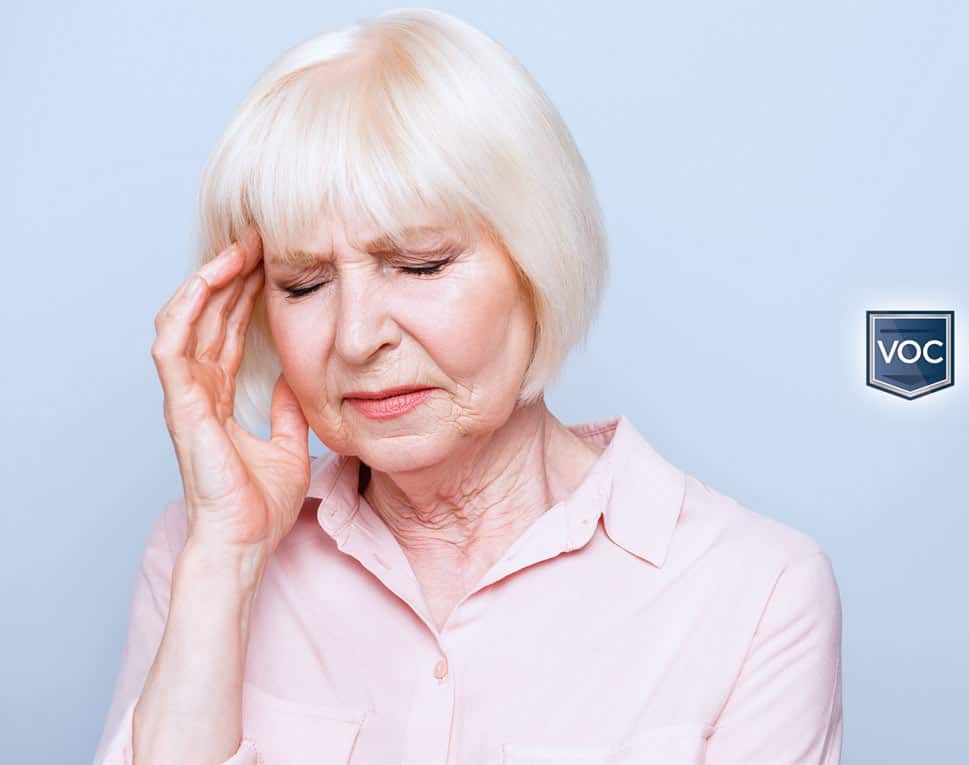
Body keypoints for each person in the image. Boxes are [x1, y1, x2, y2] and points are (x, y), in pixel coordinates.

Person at [91, 8, 842, 764]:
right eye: (304, 282)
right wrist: (226, 560)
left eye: (419, 265)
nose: (357, 337)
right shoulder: (200, 554)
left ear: (536, 262)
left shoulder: (756, 591)